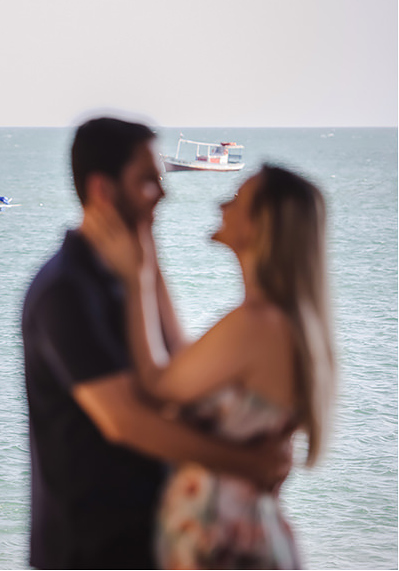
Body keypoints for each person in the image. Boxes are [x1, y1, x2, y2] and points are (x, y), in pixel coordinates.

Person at [22, 117, 292, 569]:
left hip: (150, 536)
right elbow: (124, 420)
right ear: (104, 190)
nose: (163, 192)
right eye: (148, 181)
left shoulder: (127, 275)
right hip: (91, 548)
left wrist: (147, 256)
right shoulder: (66, 290)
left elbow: (177, 371)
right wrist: (248, 463)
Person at [83, 163, 335, 568]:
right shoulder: (274, 320)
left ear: (259, 226)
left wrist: (135, 282)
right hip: (236, 537)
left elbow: (156, 382)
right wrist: (146, 252)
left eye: (236, 199)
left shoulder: (257, 323)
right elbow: (187, 366)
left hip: (227, 547)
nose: (222, 203)